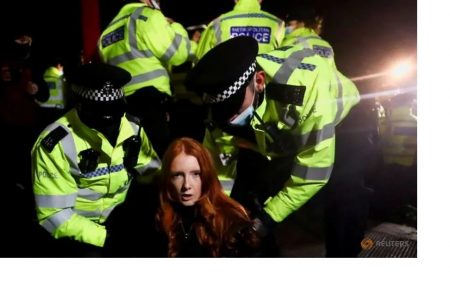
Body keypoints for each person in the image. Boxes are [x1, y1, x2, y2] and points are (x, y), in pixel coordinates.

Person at [186, 36, 360, 256]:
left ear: (259, 81)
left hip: (344, 121)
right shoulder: (224, 107)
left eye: (235, 108)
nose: (229, 119)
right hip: (281, 132)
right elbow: (219, 168)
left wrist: (266, 220)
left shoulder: (305, 89)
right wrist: (213, 211)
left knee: (344, 197)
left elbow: (313, 172)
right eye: (223, 112)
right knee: (256, 190)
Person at [31, 63, 161, 257]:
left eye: (115, 115)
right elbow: (53, 214)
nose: (110, 125)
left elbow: (155, 175)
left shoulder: (132, 128)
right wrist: (106, 238)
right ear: (80, 106)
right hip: (78, 235)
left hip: (123, 222)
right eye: (100, 118)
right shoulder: (55, 143)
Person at [281, 3, 374, 257]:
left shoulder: (292, 43)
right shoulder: (325, 43)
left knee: (337, 195)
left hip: (332, 124)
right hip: (347, 123)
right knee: (345, 196)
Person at [196, 0, 285, 196]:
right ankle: (253, 216)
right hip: (264, 110)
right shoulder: (277, 24)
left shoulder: (218, 24)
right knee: (261, 172)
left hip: (225, 108)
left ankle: (219, 214)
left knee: (220, 173)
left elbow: (201, 62)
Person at [98, 0, 191, 158]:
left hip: (120, 108)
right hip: (151, 105)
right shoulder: (147, 16)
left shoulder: (106, 32)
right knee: (159, 160)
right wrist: (175, 27)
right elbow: (178, 54)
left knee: (133, 160)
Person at [156, 137, 259, 257]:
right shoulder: (162, 216)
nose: (186, 185)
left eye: (195, 174)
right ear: (168, 178)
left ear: (205, 175)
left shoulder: (231, 222)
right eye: (178, 175)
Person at [196, 0, 285, 59]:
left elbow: (201, 59)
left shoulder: (218, 23)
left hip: (227, 84)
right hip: (262, 83)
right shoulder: (278, 23)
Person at [36, 57, 68, 131]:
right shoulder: (62, 79)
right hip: (57, 111)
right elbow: (67, 93)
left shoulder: (42, 77)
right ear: (59, 66)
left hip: (41, 110)